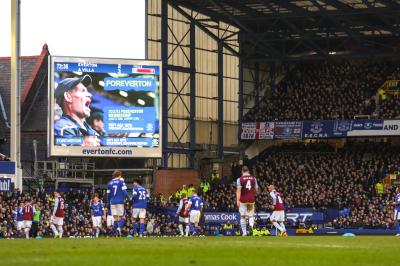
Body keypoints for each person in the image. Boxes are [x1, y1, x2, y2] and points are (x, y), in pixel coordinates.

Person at [54, 74, 100, 146]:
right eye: (83, 91)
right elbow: (64, 154)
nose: (90, 95)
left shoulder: (91, 131)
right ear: (68, 97)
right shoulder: (62, 127)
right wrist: (82, 144)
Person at [236, 166, 258, 236]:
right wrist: (252, 193)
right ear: (248, 171)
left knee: (242, 216)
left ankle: (244, 233)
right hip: (251, 200)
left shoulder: (239, 179)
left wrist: (237, 200)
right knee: (251, 215)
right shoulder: (254, 178)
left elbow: (238, 190)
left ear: (242, 171)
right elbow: (256, 190)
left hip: (243, 200)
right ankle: (251, 227)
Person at [107, 170, 129, 237]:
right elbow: (125, 192)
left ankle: (115, 233)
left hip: (112, 202)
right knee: (122, 217)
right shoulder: (121, 182)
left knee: (115, 218)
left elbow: (108, 194)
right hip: (120, 202)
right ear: (119, 175)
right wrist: (129, 199)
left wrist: (108, 203)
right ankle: (119, 228)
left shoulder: (109, 183)